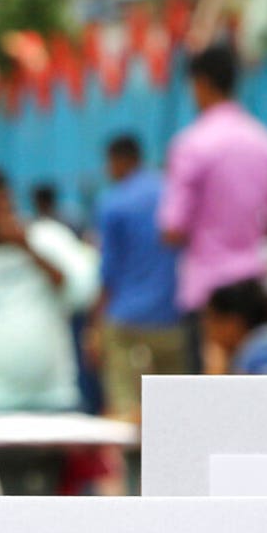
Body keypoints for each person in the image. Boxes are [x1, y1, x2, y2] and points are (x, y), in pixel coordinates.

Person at [158, 43, 267, 370]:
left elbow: (172, 230)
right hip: (252, 295)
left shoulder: (191, 146)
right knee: (255, 405)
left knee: (208, 410)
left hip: (206, 298)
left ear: (199, 83)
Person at [0, 171, 99, 412]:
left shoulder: (50, 238)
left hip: (56, 397)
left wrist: (28, 248)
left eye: (2, 201)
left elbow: (82, 294)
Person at [88, 135, 187, 420]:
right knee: (173, 412)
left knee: (126, 408)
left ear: (119, 161)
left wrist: (95, 323)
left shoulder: (113, 202)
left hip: (126, 323)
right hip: (172, 318)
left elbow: (109, 270)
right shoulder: (170, 192)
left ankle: (134, 466)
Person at [203, 278, 267, 375]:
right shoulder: (263, 341)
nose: (207, 329)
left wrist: (216, 375)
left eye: (212, 320)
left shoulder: (265, 350)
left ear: (232, 323)